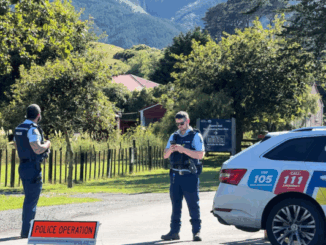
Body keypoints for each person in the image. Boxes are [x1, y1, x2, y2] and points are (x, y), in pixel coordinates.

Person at [161, 111, 205, 242]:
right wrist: (172, 149)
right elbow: (165, 155)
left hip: (189, 175)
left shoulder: (195, 136)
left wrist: (183, 149)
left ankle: (196, 232)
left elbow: (200, 155)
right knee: (175, 205)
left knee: (193, 204)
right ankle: (174, 232)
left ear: (188, 121)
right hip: (175, 175)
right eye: (177, 124)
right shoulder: (173, 135)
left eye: (182, 123)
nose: (179, 126)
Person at [14, 104, 51, 238]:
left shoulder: (19, 128)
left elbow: (18, 144)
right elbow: (37, 148)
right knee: (31, 200)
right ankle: (27, 231)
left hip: (23, 166)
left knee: (28, 198)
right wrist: (47, 144)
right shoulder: (32, 129)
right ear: (38, 115)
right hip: (32, 167)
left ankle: (26, 229)